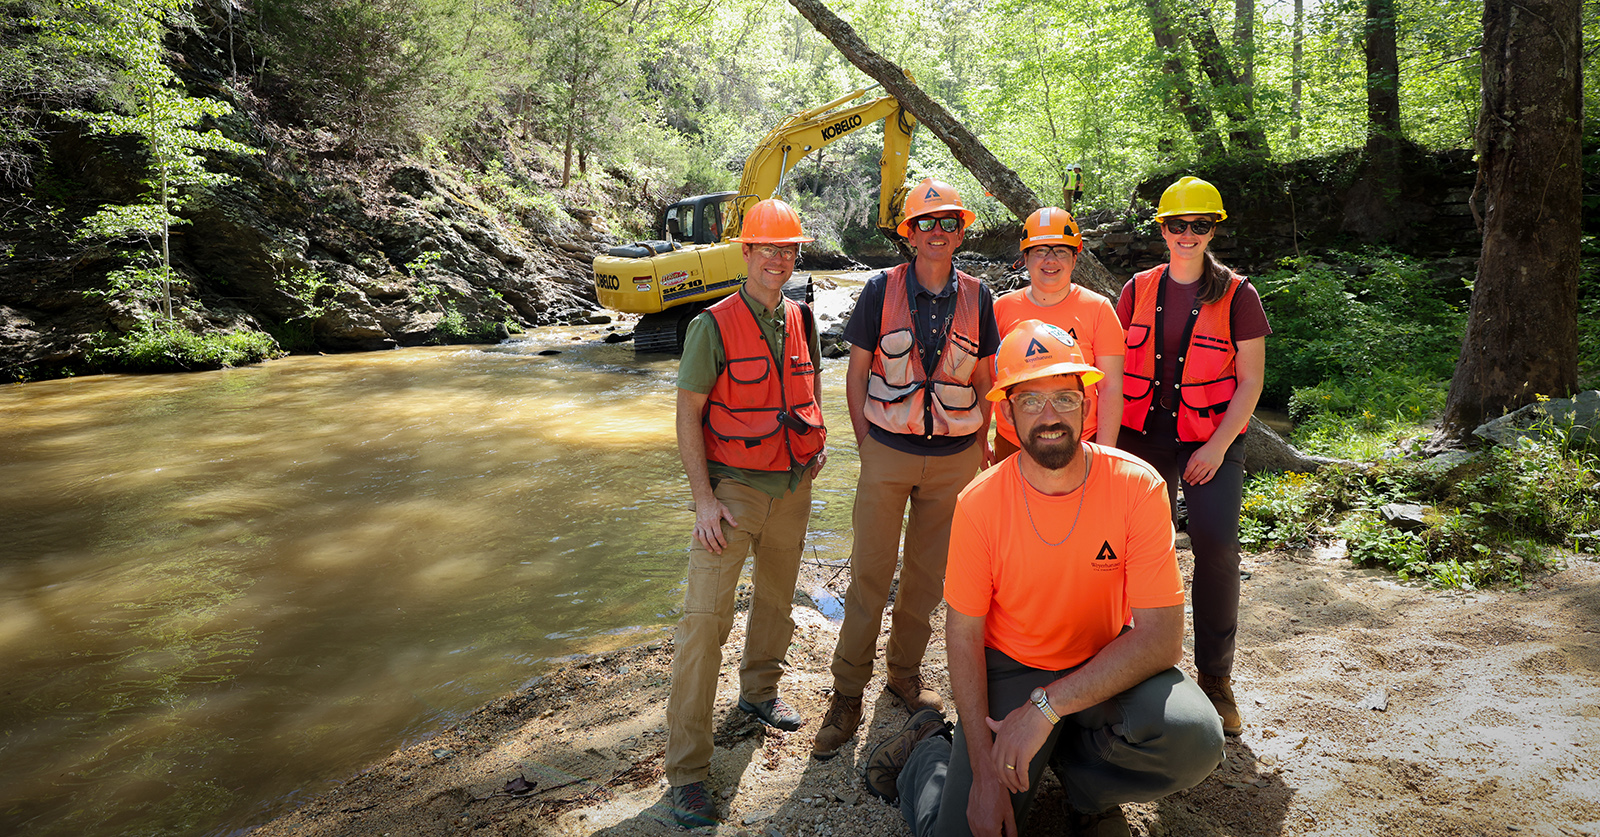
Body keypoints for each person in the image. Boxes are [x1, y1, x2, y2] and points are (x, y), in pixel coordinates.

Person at [860, 320, 1224, 837]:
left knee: (1195, 739)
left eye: (1064, 398)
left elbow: (1161, 638)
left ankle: (1085, 792)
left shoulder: (1136, 487)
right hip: (1011, 668)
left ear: (1087, 405)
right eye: (1031, 401)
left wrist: (1045, 710)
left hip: (1103, 661)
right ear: (1005, 414)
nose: (1050, 417)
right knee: (969, 828)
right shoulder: (979, 504)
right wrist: (986, 775)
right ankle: (929, 755)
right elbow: (963, 634)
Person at [812, 178, 1001, 760]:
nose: (937, 233)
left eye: (948, 223)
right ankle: (846, 694)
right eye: (926, 223)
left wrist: (987, 442)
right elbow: (856, 372)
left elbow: (987, 378)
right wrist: (866, 442)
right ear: (909, 233)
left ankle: (904, 675)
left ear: (961, 231)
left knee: (925, 582)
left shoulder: (980, 296)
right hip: (887, 454)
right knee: (869, 577)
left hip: (955, 461)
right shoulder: (878, 290)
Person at [663, 198, 828, 828]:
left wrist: (817, 450)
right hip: (731, 492)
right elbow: (687, 415)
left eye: (787, 251)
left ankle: (759, 693)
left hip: (793, 485)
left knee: (777, 600)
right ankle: (687, 773)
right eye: (767, 249)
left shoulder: (803, 318)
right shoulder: (712, 325)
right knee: (704, 622)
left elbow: (806, 389)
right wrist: (703, 499)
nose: (777, 260)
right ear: (746, 252)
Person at [1115, 176, 1270, 737]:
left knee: (1218, 549)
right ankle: (1127, 663)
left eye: (1199, 225)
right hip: (1141, 438)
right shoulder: (1136, 289)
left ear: (1213, 229)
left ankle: (1215, 680)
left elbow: (1250, 383)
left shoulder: (1239, 294)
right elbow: (1110, 369)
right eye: (1177, 225)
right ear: (1162, 229)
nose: (1187, 234)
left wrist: (1218, 446)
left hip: (1212, 439)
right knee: (1131, 551)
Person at [992, 207, 1124, 460]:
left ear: (1074, 259)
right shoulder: (1001, 309)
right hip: (1013, 441)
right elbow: (990, 379)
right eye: (1040, 251)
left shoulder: (1098, 309)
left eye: (1061, 252)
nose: (1050, 260)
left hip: (1078, 440)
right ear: (1026, 257)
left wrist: (1106, 450)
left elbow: (1110, 386)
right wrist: (980, 440)